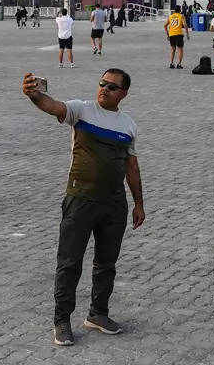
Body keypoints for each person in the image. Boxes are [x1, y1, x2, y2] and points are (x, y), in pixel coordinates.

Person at [21, 68, 144, 347]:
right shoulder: (81, 111)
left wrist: (139, 203)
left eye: (112, 87)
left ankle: (98, 314)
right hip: (80, 199)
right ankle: (61, 321)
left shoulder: (128, 125)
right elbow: (51, 105)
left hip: (114, 204)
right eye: (102, 83)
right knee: (69, 263)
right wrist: (33, 94)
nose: (104, 89)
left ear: (123, 94)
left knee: (106, 264)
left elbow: (131, 166)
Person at [164, 5, 188, 69]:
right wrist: (187, 33)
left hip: (171, 35)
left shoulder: (170, 16)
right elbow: (185, 25)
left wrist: (167, 34)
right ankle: (179, 64)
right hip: (179, 34)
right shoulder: (181, 16)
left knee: (172, 50)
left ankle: (171, 63)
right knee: (180, 50)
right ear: (180, 10)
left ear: (174, 10)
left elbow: (165, 25)